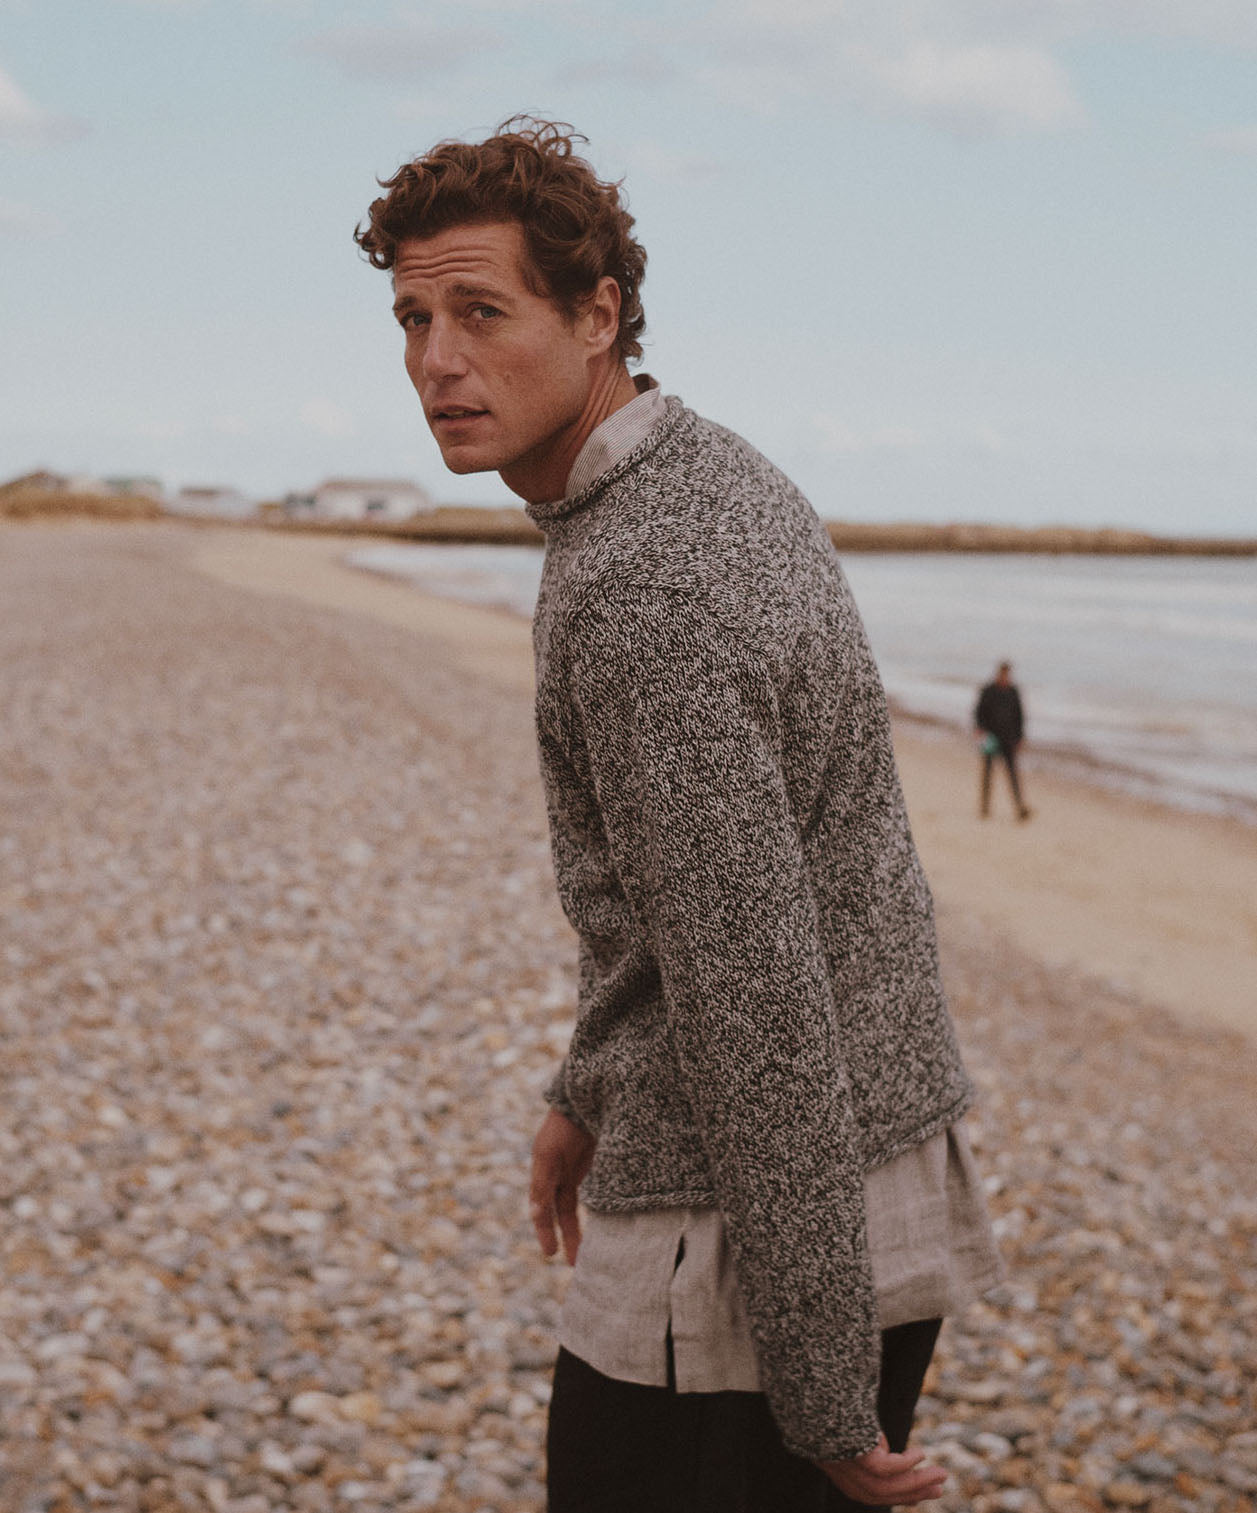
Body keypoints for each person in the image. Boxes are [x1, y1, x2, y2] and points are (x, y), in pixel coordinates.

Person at [356, 117, 1004, 1512]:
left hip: (753, 1231)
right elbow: (701, 910)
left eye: (481, 311)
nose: (435, 361)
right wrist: (587, 1085)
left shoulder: (644, 586)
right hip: (822, 1163)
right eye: (413, 317)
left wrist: (824, 1396)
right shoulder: (697, 475)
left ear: (598, 317)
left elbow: (757, 1000)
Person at [974, 662, 1031, 821]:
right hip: (991, 738)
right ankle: (985, 806)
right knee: (987, 773)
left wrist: (1020, 737)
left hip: (1008, 739)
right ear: (999, 673)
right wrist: (980, 729)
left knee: (1012, 774)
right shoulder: (989, 690)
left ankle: (1019, 807)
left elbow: (1020, 716)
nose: (1005, 677)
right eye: (1003, 674)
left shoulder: (1013, 692)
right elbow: (979, 711)